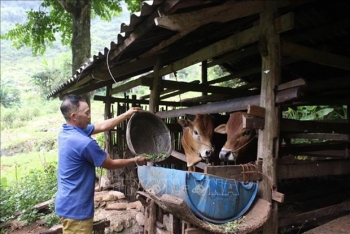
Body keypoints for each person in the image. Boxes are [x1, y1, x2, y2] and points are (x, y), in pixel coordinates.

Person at [55, 94, 148, 233]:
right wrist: (135, 160)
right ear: (74, 116)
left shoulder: (66, 132)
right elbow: (110, 164)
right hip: (77, 210)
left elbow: (102, 125)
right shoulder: (84, 143)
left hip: (65, 203)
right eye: (86, 113)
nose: (89, 116)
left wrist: (126, 115)